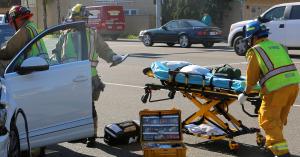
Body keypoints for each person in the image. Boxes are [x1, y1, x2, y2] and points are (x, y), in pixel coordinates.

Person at [52, 3, 127, 147]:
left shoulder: (92, 34)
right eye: (75, 18)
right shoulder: (65, 34)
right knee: (74, 107)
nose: (77, 21)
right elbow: (56, 52)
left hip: (87, 78)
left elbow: (104, 50)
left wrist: (114, 57)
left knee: (88, 107)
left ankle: (91, 136)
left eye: (79, 18)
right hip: (69, 78)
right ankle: (79, 134)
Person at [238, 21, 300, 157]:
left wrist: (245, 93)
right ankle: (271, 146)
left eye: (250, 39)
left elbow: (252, 79)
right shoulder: (278, 46)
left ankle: (282, 153)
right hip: (294, 85)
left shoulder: (256, 50)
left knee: (268, 120)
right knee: (278, 119)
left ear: (254, 37)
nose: (250, 42)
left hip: (276, 89)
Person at [0, 5, 48, 75]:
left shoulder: (24, 30)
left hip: (31, 70)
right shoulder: (32, 26)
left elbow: (8, 52)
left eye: (12, 23)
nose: (12, 26)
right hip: (40, 65)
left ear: (16, 20)